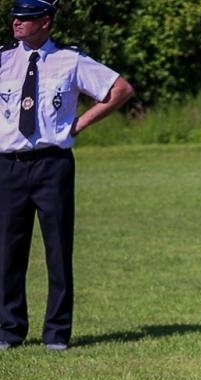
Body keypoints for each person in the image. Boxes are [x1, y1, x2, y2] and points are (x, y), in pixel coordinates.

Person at [0, 0, 133, 352]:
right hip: (8, 165)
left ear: (45, 21)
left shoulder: (70, 60)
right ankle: (9, 330)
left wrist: (79, 123)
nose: (16, 23)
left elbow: (120, 90)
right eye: (14, 17)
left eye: (25, 18)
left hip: (52, 164)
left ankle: (57, 332)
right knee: (7, 251)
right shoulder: (3, 60)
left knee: (58, 249)